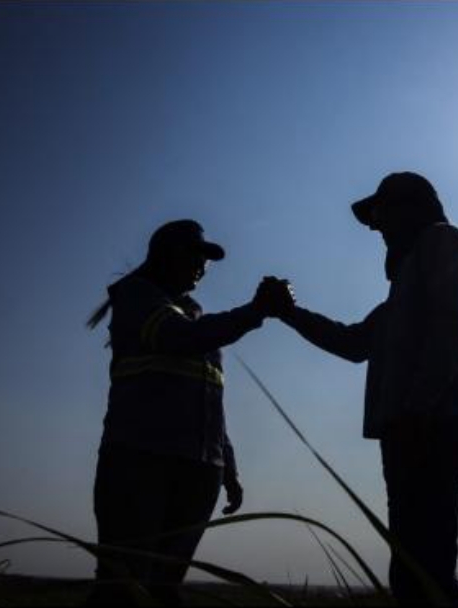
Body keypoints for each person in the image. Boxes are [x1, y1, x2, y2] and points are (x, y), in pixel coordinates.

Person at [258, 172, 458, 606]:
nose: (375, 227)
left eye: (380, 214)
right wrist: (288, 313)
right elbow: (352, 343)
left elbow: (451, 332)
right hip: (411, 431)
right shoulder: (397, 303)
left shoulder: (442, 242)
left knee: (426, 567)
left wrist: (417, 412)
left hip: (433, 426)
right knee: (412, 567)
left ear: (412, 209)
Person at [84, 219, 289, 605]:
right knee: (124, 587)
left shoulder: (194, 314)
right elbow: (177, 338)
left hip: (198, 469)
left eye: (206, 258)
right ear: (166, 255)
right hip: (140, 460)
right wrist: (256, 310)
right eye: (194, 254)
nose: (202, 265)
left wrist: (226, 465)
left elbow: (212, 401)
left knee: (165, 587)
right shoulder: (136, 297)